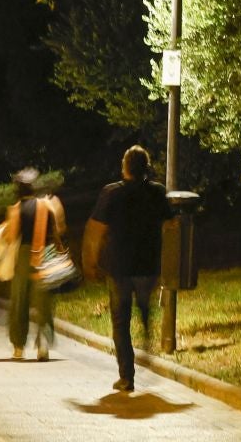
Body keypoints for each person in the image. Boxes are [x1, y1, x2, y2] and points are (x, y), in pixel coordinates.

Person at [83, 145, 173, 393]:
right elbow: (170, 224)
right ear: (147, 166)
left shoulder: (111, 193)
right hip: (148, 265)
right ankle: (146, 327)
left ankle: (127, 376)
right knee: (144, 305)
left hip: (119, 267)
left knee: (120, 322)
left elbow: (96, 231)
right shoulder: (157, 193)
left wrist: (90, 261)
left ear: (125, 167)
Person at [0, 169, 66, 362]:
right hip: (47, 253)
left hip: (26, 255)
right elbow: (58, 230)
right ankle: (43, 344)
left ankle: (19, 347)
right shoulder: (46, 206)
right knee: (43, 300)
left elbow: (11, 237)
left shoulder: (17, 209)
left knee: (20, 300)